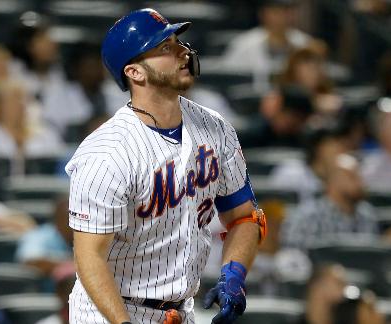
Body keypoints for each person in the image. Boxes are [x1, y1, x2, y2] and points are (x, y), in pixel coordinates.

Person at [65, 8, 267, 324]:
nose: (183, 53)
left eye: (178, 43)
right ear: (135, 72)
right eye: (165, 48)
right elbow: (90, 257)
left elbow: (244, 216)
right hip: (110, 310)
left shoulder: (215, 128)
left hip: (179, 311)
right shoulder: (107, 154)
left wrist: (235, 273)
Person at [282, 154, 379, 249]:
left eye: (359, 177)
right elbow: (292, 254)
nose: (360, 183)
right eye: (352, 177)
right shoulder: (307, 215)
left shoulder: (367, 214)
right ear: (333, 180)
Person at [0, 80, 63, 174]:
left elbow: (56, 164)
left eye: (24, 98)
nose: (21, 103)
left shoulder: (46, 133)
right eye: (14, 98)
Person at [221, 0, 312, 92]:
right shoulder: (244, 44)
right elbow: (228, 81)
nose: (282, 17)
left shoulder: (305, 44)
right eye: (276, 12)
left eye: (287, 11)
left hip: (293, 102)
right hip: (251, 102)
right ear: (263, 14)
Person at [269, 119, 349, 202]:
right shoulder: (291, 173)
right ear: (319, 148)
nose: (342, 149)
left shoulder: (343, 178)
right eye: (335, 144)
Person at [16, 196, 73, 278]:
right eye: (69, 220)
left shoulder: (90, 237)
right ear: (57, 220)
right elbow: (30, 260)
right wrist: (73, 264)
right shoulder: (38, 235)